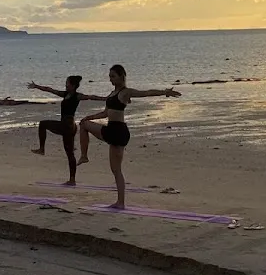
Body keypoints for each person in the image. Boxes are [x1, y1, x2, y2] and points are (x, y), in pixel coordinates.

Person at [78, 64, 181, 210]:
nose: (111, 79)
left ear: (121, 76)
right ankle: (120, 202)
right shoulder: (112, 93)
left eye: (113, 76)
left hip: (116, 131)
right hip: (116, 130)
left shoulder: (126, 92)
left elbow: (146, 93)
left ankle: (84, 156)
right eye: (109, 76)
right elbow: (106, 113)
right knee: (116, 169)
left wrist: (165, 92)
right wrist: (89, 116)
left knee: (85, 126)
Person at [27, 75, 93, 185]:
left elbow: (91, 96)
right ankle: (72, 180)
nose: (65, 85)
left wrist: (108, 98)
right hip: (69, 126)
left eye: (67, 83)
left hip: (67, 126)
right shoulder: (65, 94)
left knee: (43, 124)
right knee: (70, 153)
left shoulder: (77, 96)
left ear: (73, 85)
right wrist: (36, 86)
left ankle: (42, 149)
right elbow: (50, 90)